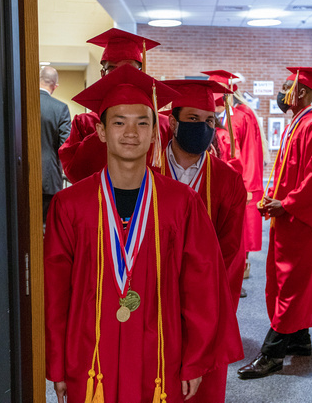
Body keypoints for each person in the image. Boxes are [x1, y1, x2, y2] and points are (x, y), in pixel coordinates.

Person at [44, 65, 243, 403]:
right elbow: (55, 291)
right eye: (119, 122)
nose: (131, 133)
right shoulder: (70, 205)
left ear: (156, 132)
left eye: (142, 122)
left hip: (161, 351)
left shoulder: (182, 203)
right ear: (102, 131)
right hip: (91, 353)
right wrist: (57, 363)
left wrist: (195, 360)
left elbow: (202, 284)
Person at [237, 66, 312, 379]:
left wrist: (288, 203)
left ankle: (271, 355)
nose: (282, 94)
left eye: (287, 87)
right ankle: (299, 339)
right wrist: (271, 198)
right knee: (287, 281)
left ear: (303, 92)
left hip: (303, 223)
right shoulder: (296, 125)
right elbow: (285, 171)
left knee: (292, 285)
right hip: (288, 220)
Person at [154, 79, 247, 403]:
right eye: (194, 120)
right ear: (173, 121)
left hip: (203, 307)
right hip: (150, 302)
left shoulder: (228, 180)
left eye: (210, 121)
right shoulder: (146, 170)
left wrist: (196, 297)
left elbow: (231, 252)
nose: (204, 127)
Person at [58, 28, 170, 183]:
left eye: (129, 69)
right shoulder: (84, 124)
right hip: (98, 203)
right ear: (102, 74)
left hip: (153, 202)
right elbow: (74, 173)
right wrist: (104, 130)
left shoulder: (161, 126)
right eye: (113, 69)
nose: (121, 76)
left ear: (142, 73)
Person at [203, 70, 265, 280]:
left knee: (234, 235)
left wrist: (246, 188)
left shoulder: (240, 117)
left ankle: (236, 274)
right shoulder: (213, 117)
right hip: (214, 184)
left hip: (233, 184)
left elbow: (247, 156)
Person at [39, 66, 71, 223]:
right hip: (49, 178)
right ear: (55, 86)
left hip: (20, 176)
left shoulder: (21, 104)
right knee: (46, 227)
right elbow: (65, 146)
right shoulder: (60, 109)